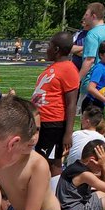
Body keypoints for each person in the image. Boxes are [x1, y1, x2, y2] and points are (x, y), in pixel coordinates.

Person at [31, 32, 79, 175]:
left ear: (56, 49)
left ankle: (54, 187)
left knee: (51, 161)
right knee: (40, 159)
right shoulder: (54, 67)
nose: (47, 49)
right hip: (41, 121)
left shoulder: (68, 69)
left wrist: (68, 133)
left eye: (49, 46)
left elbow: (71, 103)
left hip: (53, 123)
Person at [78, 3, 105, 85]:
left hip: (92, 80)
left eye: (86, 14)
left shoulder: (92, 34)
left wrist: (77, 80)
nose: (84, 17)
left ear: (93, 16)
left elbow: (89, 60)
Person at [80, 40, 105, 113]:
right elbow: (91, 88)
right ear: (101, 55)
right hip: (92, 103)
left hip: (99, 103)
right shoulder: (99, 68)